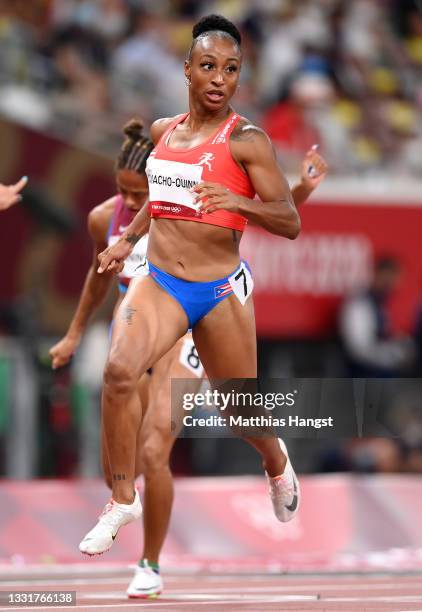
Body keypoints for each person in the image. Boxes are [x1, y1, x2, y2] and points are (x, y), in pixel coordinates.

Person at [79, 12, 324, 581]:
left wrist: (239, 204)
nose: (219, 78)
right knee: (118, 373)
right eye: (209, 66)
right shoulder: (165, 133)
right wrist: (127, 242)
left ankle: (275, 458)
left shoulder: (246, 141)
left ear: (238, 78)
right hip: (161, 280)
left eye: (231, 70)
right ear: (187, 69)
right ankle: (120, 502)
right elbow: (157, 200)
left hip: (217, 291)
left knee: (240, 409)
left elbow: (288, 221)